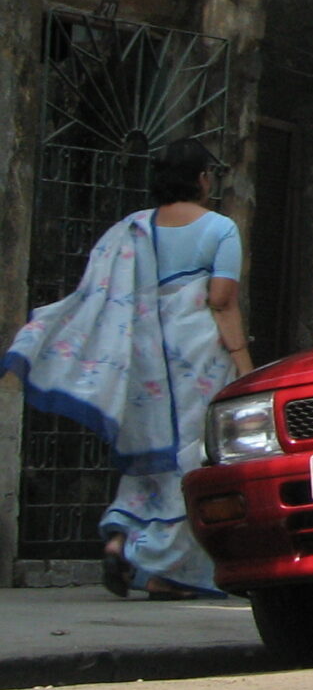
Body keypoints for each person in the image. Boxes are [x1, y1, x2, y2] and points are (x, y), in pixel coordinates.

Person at [4, 139, 249, 598]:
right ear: (202, 180)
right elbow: (222, 299)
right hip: (197, 358)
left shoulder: (133, 229)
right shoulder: (221, 229)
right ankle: (162, 572)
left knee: (147, 456)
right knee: (190, 459)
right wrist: (243, 361)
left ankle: (120, 539)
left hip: (146, 361)